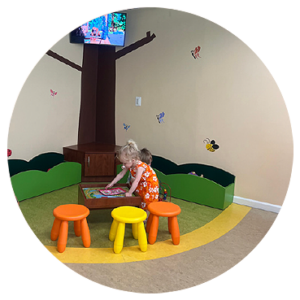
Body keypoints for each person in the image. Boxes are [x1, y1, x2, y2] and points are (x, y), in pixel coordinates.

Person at [106, 140, 159, 212]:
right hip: (142, 182)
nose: (123, 165)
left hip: (150, 184)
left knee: (146, 201)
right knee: (139, 198)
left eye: (125, 163)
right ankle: (139, 211)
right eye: (122, 163)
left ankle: (145, 217)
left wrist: (129, 193)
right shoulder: (129, 163)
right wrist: (111, 183)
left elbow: (136, 180)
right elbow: (121, 174)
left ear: (133, 160)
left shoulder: (140, 167)